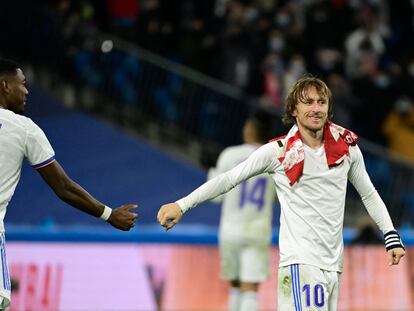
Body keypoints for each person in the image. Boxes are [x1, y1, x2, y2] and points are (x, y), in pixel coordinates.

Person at [157, 76, 405, 311]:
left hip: (333, 265)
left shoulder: (347, 148)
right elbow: (228, 179)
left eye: (321, 102)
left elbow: (369, 193)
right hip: (301, 263)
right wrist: (182, 205)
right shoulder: (278, 151)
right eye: (307, 102)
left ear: (329, 108)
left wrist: (390, 234)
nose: (315, 108)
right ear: (293, 110)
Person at [0, 58, 138, 309]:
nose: (27, 91)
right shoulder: (24, 129)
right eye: (23, 84)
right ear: (5, 86)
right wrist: (109, 215)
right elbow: (62, 186)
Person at [207, 111, 276, 311]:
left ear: (249, 130)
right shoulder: (274, 158)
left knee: (235, 286)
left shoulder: (229, 154)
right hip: (257, 231)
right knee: (250, 290)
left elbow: (216, 196)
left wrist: (211, 169)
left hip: (230, 230)